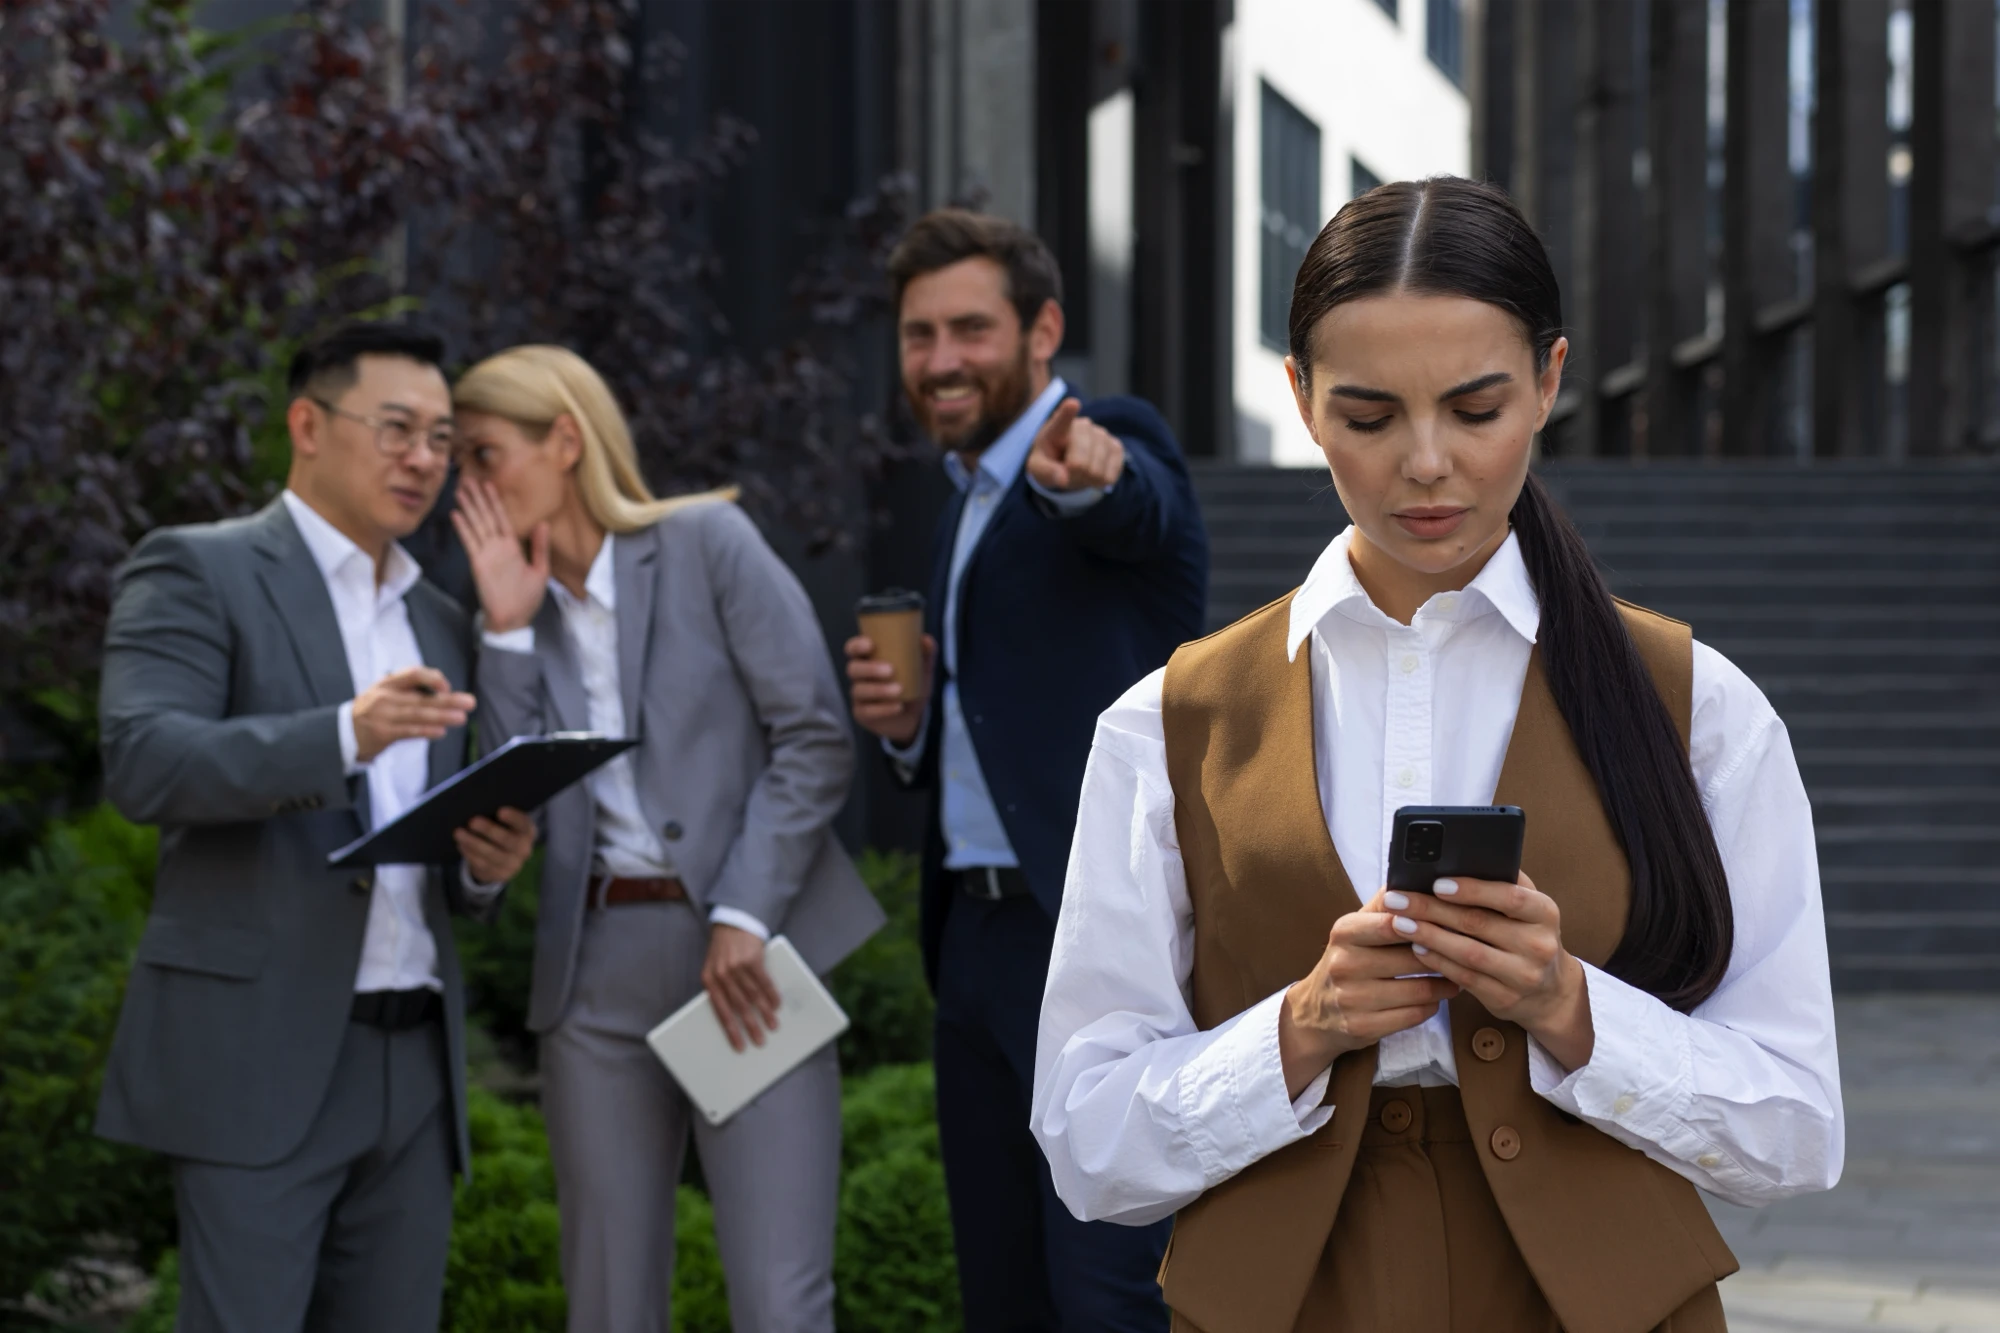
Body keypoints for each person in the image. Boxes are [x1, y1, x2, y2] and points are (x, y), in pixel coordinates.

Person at [1031, 176, 1844, 1332]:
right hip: (1287, 1293)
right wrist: (1301, 1024)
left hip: (1604, 1297)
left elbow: (1796, 1126)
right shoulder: (1171, 720)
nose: (1424, 464)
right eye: (1367, 416)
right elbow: (1084, 1138)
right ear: (1301, 400)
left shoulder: (1695, 706)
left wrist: (1570, 1006)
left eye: (1474, 409)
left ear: (1549, 381)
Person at [94, 322, 539, 1333]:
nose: (422, 459)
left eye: (439, 438)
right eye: (395, 429)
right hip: (259, 1053)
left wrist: (486, 867)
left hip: (414, 1059)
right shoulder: (197, 570)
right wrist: (344, 732)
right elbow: (145, 760)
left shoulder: (437, 618)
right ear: (306, 423)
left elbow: (437, 826)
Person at [448, 344, 884, 1333]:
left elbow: (814, 734)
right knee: (607, 1305)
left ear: (564, 441)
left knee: (779, 1300)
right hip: (592, 976)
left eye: (481, 456)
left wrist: (740, 912)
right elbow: (511, 799)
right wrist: (507, 632)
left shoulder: (706, 543)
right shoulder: (502, 615)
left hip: (742, 956)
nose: (462, 490)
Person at [845, 210, 1208, 1330]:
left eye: (969, 328)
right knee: (1000, 1293)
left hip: (1099, 941)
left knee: (1108, 1294)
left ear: (1041, 328)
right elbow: (994, 717)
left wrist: (1086, 476)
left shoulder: (1100, 439)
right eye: (918, 335)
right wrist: (907, 726)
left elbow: (1131, 503)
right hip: (977, 944)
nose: (940, 359)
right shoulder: (962, 498)